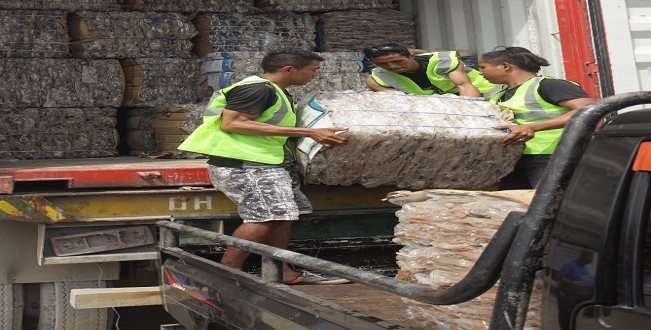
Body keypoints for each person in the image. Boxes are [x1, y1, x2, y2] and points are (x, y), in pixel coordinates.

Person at [178, 49, 351, 285]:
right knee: (265, 218)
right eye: (313, 70)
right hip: (248, 165)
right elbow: (232, 123)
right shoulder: (258, 89)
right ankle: (227, 274)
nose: (315, 75)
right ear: (288, 69)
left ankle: (283, 272)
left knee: (283, 216)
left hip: (268, 163)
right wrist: (309, 132)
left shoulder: (277, 91)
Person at [477, 46, 594, 189]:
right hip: (514, 160)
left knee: (550, 205)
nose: (480, 73)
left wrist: (532, 127)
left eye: (483, 67)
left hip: (553, 156)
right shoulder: (497, 96)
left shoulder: (549, 85)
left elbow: (588, 110)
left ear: (505, 66)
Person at [363, 43, 496, 97]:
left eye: (397, 61)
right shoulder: (378, 78)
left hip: (466, 95)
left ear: (411, 56)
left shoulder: (443, 61)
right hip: (431, 104)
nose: (392, 67)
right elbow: (399, 100)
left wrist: (474, 113)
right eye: (383, 64)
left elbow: (464, 86)